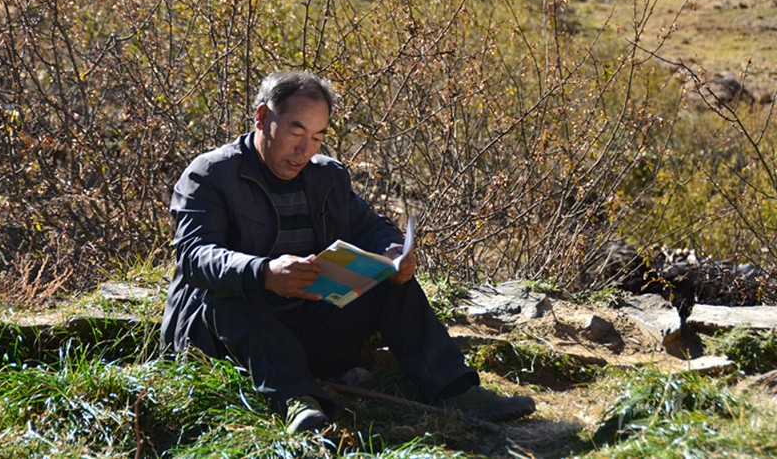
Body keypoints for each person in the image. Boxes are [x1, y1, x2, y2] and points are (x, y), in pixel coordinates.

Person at [161, 71, 535, 433]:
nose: (305, 150)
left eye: (317, 137)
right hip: (223, 340)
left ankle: (455, 389)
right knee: (230, 293)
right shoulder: (210, 174)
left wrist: (392, 253)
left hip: (305, 328)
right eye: (296, 132)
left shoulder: (327, 176)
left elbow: (369, 226)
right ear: (262, 117)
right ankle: (297, 400)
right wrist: (264, 273)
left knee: (391, 280)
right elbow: (195, 257)